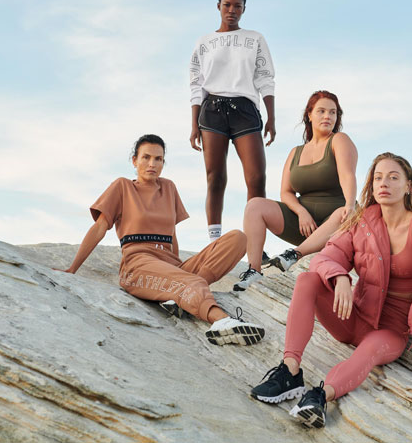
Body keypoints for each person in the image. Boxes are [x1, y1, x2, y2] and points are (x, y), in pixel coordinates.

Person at [250, 153, 412, 428]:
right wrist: (340, 279)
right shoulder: (363, 222)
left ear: (409, 185)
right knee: (307, 280)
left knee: (370, 349)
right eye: (378, 178)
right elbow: (326, 257)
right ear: (372, 187)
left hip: (392, 331)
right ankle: (290, 371)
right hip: (351, 318)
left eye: (393, 177)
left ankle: (319, 397)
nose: (384, 183)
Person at [61, 134, 265, 346]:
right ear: (134, 160)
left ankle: (178, 295)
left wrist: (178, 268)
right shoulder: (122, 186)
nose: (152, 164)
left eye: (158, 159)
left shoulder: (168, 187)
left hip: (169, 264)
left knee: (238, 238)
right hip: (138, 263)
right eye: (146, 157)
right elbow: (99, 228)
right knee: (191, 282)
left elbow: (172, 234)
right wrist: (72, 269)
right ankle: (222, 321)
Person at [233, 90, 358, 291]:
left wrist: (351, 206)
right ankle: (254, 270)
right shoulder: (296, 152)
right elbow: (286, 192)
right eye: (322, 111)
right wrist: (301, 213)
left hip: (336, 223)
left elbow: (347, 176)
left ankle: (294, 255)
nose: (328, 116)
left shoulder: (339, 140)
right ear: (309, 115)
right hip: (304, 225)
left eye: (333, 112)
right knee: (254, 205)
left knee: (343, 213)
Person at [189, 0, 276, 243]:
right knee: (215, 177)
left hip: (245, 110)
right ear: (218, 6)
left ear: (244, 9)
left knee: (257, 177)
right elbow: (196, 83)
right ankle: (214, 242)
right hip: (212, 111)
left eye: (237, 6)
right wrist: (194, 124)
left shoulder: (255, 39)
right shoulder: (204, 42)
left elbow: (265, 78)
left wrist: (271, 116)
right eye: (227, 5)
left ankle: (253, 243)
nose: (232, 10)